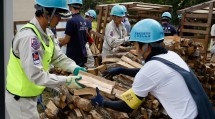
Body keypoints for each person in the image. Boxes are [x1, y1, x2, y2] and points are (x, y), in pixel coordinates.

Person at [92, 19, 215, 119]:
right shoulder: (172, 56)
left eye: (136, 44)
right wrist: (121, 70)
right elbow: (151, 74)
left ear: (145, 46)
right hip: (205, 112)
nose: (135, 49)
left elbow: (128, 106)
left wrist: (103, 102)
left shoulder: (150, 70)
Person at [5, 0, 87, 119]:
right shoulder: (29, 38)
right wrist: (67, 80)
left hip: (29, 95)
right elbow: (36, 75)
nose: (59, 19)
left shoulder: (47, 33)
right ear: (45, 13)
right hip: (20, 99)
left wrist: (74, 68)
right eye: (58, 15)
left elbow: (57, 57)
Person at [59, 0, 88, 67]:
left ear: (70, 7)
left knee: (72, 76)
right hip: (82, 54)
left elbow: (66, 40)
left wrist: (59, 44)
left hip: (73, 56)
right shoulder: (83, 20)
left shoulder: (71, 21)